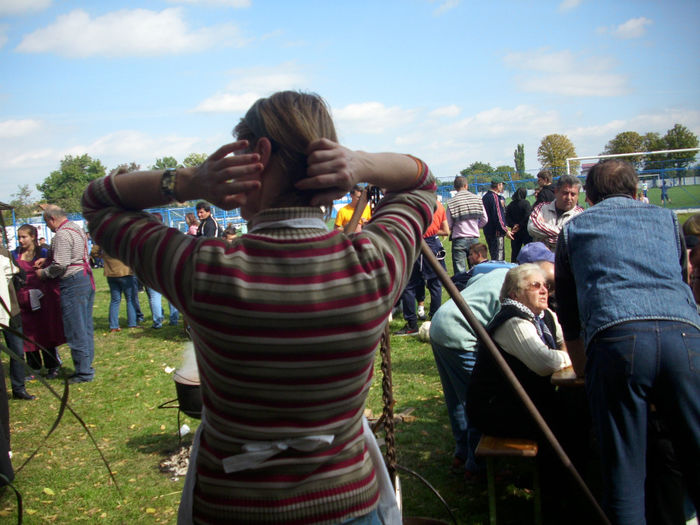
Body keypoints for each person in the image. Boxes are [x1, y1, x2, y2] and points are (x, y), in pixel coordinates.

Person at [82, 90, 436, 524]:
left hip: (232, 507)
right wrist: (359, 163)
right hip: (350, 506)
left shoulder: (203, 271)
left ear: (259, 154)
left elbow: (97, 201)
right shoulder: (375, 263)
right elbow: (421, 180)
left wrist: (191, 181)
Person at [555, 159, 700, 524]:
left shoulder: (573, 231)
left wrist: (586, 370)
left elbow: (569, 315)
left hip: (617, 342)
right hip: (685, 337)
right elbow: (683, 280)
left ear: (587, 197)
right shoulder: (667, 219)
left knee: (624, 475)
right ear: (637, 193)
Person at [430, 247, 554, 482]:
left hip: (441, 322)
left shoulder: (502, 270)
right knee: (479, 397)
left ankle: (462, 454)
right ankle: (477, 466)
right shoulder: (517, 289)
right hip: (462, 333)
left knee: (456, 398)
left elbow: (473, 280)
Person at [37, 206, 95, 384]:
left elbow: (60, 264)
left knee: (75, 328)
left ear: (52, 219)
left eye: (47, 223)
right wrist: (47, 260)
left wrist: (44, 273)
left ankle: (83, 372)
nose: (48, 227)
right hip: (84, 278)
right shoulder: (76, 228)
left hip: (72, 282)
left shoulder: (61, 235)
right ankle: (86, 366)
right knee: (85, 327)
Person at [11, 224, 64, 377]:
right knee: (28, 334)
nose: (21, 240)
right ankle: (33, 366)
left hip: (43, 299)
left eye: (24, 237)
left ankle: (52, 365)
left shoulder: (44, 252)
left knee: (45, 332)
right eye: (19, 237)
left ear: (33, 237)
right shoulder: (15, 254)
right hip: (23, 300)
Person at [394, 200, 448, 336]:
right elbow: (446, 229)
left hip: (419, 243)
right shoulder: (439, 205)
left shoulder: (413, 203)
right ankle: (435, 320)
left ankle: (412, 324)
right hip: (434, 243)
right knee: (435, 284)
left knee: (409, 285)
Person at [0, 244, 34, 400]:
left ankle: (18, 388)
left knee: (17, 350)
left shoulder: (5, 253)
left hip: (11, 310)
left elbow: (19, 275)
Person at [527, 174, 584, 251]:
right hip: (541, 261)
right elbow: (532, 227)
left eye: (573, 194)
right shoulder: (541, 208)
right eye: (565, 193)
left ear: (578, 195)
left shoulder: (581, 215)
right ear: (556, 192)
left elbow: (575, 239)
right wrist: (564, 234)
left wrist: (545, 237)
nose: (569, 198)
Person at [445, 175, 487, 274]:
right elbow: (485, 219)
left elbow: (449, 224)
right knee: (476, 269)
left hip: (459, 239)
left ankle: (461, 288)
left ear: (455, 187)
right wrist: (476, 227)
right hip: (474, 237)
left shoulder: (452, 202)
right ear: (466, 185)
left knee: (460, 271)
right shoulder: (477, 199)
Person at [96, 245, 138, 332]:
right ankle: (132, 323)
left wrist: (103, 256)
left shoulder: (103, 238)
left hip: (111, 273)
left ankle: (114, 326)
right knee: (130, 299)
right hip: (126, 272)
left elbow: (94, 251)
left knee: (115, 300)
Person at [482, 177, 513, 261]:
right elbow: (498, 216)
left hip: (488, 230)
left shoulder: (485, 197)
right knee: (499, 257)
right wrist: (505, 230)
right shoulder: (495, 197)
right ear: (498, 185)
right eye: (502, 185)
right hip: (496, 232)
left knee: (493, 255)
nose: (502, 187)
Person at [505, 186, 532, 262]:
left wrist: (513, 225)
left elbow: (507, 217)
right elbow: (527, 216)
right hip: (525, 230)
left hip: (514, 231)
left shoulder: (511, 204)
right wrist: (520, 225)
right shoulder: (526, 203)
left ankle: (513, 265)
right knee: (528, 250)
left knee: (515, 252)